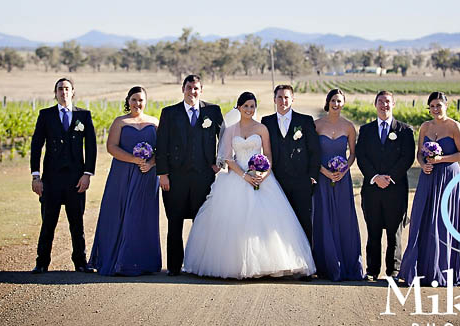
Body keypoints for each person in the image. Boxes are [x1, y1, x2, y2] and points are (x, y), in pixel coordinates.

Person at [182, 92, 316, 279]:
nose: (249, 109)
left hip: (261, 179)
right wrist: (244, 175)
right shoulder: (231, 130)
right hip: (237, 177)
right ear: (239, 107)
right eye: (245, 106)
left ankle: (268, 264)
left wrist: (263, 174)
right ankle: (233, 264)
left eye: (252, 106)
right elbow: (228, 158)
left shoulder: (261, 128)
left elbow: (268, 155)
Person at [397, 92, 460, 286]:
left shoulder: (454, 126)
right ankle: (422, 268)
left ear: (446, 106)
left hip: (448, 177)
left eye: (438, 105)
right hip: (428, 176)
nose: (435, 109)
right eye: (432, 106)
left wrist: (441, 159)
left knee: (443, 220)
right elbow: (419, 153)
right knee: (423, 218)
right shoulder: (425, 127)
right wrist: (423, 164)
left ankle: (445, 267)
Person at [155, 75, 224, 276]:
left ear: (201, 90)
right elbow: (161, 145)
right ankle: (174, 267)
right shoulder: (169, 113)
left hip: (204, 176)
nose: (192, 92)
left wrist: (219, 163)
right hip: (175, 178)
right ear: (182, 89)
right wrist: (162, 174)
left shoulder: (213, 111)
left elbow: (225, 138)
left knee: (201, 222)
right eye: (189, 88)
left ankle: (198, 265)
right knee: (174, 222)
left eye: (196, 88)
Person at [88, 86, 161, 275]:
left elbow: (162, 149)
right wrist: (133, 159)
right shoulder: (120, 122)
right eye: (134, 99)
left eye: (141, 100)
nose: (137, 103)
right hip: (122, 174)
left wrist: (151, 163)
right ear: (128, 101)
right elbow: (111, 147)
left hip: (147, 175)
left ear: (146, 101)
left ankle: (142, 262)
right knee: (118, 214)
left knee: (142, 216)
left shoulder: (154, 122)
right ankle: (118, 261)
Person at [30, 77, 97, 273]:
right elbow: (36, 146)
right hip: (51, 179)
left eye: (67, 88)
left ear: (73, 92)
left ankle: (81, 263)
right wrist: (36, 176)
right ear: (55, 92)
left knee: (77, 223)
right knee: (48, 223)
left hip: (76, 179)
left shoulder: (83, 116)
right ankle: (42, 263)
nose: (64, 92)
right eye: (60, 89)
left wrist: (87, 174)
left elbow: (91, 147)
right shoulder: (46, 115)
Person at [355, 91, 415, 281]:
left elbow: (407, 157)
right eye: (380, 102)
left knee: (394, 232)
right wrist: (375, 177)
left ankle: (394, 270)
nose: (384, 105)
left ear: (393, 104)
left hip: (395, 189)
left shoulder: (405, 131)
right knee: (373, 232)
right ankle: (372, 270)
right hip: (372, 189)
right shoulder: (366, 130)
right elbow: (361, 157)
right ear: (375, 105)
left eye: (387, 102)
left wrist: (389, 178)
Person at [312, 89, 364, 281]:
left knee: (344, 218)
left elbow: (352, 154)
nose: (336, 104)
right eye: (333, 100)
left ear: (343, 103)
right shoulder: (316, 125)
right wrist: (324, 171)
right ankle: (325, 265)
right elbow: (312, 153)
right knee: (323, 216)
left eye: (339, 101)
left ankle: (347, 263)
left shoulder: (349, 126)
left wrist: (344, 170)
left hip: (342, 179)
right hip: (322, 177)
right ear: (328, 102)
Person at [261, 84, 321, 243]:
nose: (283, 101)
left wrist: (312, 177)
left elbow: (314, 151)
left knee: (304, 221)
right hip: (277, 182)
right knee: (278, 222)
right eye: (279, 97)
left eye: (286, 97)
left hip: (302, 181)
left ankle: (306, 256)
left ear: (293, 99)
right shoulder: (266, 121)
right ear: (274, 99)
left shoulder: (305, 121)